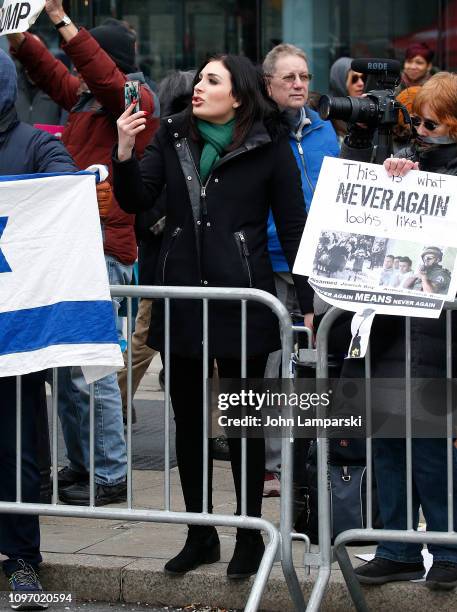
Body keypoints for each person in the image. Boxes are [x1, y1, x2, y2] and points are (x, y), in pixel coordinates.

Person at [113, 54, 313, 579]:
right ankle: (199, 532)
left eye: (212, 80)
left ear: (240, 96)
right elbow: (138, 199)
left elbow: (293, 224)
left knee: (244, 424)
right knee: (190, 420)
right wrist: (125, 151)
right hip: (181, 293)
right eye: (200, 78)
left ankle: (250, 533)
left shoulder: (269, 144)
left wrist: (310, 302)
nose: (198, 87)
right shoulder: (173, 133)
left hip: (243, 297)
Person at [8, 0, 159, 506]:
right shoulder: (87, 101)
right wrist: (15, 36)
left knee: (90, 368)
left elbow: (98, 74)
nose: (73, 71)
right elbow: (49, 71)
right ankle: (83, 465)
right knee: (68, 370)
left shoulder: (133, 98)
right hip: (75, 246)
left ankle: (110, 473)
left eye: (84, 61)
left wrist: (59, 18)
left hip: (104, 248)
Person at [341, 71, 457, 589]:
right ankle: (396, 546)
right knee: (388, 440)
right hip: (390, 326)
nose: (422, 131)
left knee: (428, 444)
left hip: (438, 333)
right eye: (419, 122)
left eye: (431, 123)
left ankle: (448, 550)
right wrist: (392, 177)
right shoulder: (414, 169)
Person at [0, 48, 78, 604]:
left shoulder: (36, 146)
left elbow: (64, 201)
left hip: (19, 332)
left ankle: (22, 557)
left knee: (17, 447)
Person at [262, 43, 339, 494]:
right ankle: (274, 467)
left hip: (321, 262)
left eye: (305, 77)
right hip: (273, 260)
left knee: (318, 360)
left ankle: (318, 456)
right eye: (289, 77)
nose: (298, 85)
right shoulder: (257, 131)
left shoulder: (326, 131)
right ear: (268, 83)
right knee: (273, 366)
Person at [117, 70, 195, 424]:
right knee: (144, 341)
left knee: (146, 344)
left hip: (168, 265)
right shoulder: (164, 136)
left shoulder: (168, 133)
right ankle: (112, 405)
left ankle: (113, 407)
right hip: (163, 264)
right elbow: (142, 201)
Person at [328, 56, 366, 141]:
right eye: (354, 79)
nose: (361, 83)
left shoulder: (366, 111)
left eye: (363, 78)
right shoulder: (327, 116)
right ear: (340, 82)